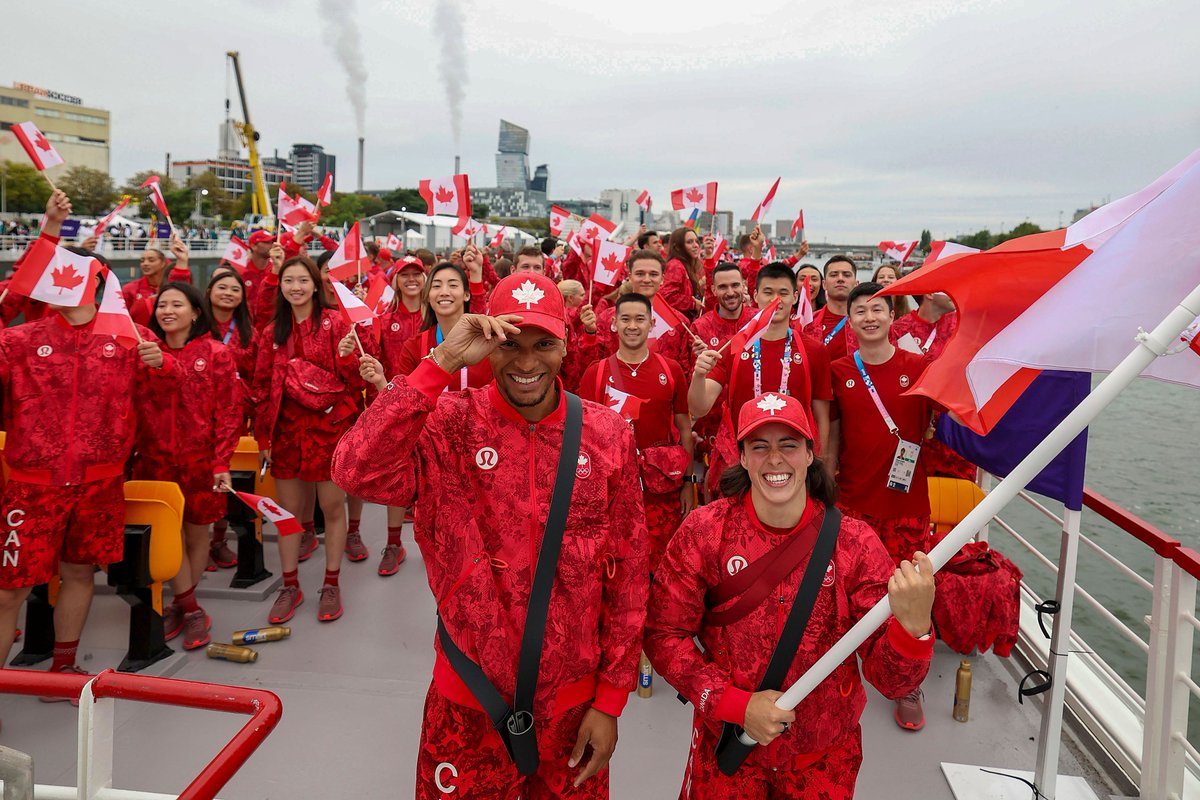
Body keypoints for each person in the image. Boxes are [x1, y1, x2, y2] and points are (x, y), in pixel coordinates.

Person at [332, 271, 649, 799]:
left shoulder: (607, 434)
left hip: (573, 709)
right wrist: (440, 363)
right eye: (509, 344)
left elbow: (630, 573)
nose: (526, 362)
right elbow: (355, 470)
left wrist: (611, 700)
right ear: (486, 343)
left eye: (543, 344)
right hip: (468, 699)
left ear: (566, 345)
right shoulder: (447, 424)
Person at [644, 391, 935, 799]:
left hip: (823, 762)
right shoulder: (704, 533)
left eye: (789, 445)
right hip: (728, 752)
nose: (775, 459)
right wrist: (735, 704)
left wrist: (914, 630)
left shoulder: (855, 545)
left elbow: (891, 681)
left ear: (811, 454)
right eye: (759, 447)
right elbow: (663, 634)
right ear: (742, 457)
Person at [0, 190, 175, 689]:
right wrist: (50, 231)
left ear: (99, 283)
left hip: (100, 484)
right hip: (31, 487)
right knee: (9, 591)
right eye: (56, 273)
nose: (63, 281)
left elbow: (172, 391)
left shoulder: (131, 338)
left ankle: (64, 668)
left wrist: (165, 365)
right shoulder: (19, 341)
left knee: (80, 574)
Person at [829, 282, 939, 730]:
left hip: (906, 505)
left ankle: (908, 684)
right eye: (860, 311)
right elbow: (833, 436)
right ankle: (840, 669)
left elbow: (947, 421)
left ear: (894, 316)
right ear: (849, 320)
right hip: (852, 503)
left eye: (878, 309)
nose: (869, 317)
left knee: (909, 590)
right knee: (844, 592)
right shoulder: (838, 371)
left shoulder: (921, 367)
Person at [252, 256, 363, 624]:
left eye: (303, 280)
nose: (295, 287)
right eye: (289, 281)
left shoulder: (335, 324)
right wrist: (263, 437)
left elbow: (354, 383)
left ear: (316, 285)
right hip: (286, 435)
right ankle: (290, 586)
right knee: (288, 514)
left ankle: (331, 583)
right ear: (281, 287)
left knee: (332, 507)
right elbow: (261, 387)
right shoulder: (272, 333)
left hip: (328, 431)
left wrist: (347, 358)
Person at [140, 283, 242, 649]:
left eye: (176, 304)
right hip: (154, 464)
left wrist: (221, 460)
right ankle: (191, 608)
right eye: (162, 305)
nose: (167, 311)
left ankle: (181, 604)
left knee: (198, 536)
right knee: (169, 537)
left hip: (201, 463)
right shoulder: (146, 352)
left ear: (196, 312)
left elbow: (230, 410)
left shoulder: (216, 353)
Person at [690, 263, 832, 498]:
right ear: (755, 296)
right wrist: (699, 375)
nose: (776, 300)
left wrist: (819, 464)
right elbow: (699, 407)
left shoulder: (814, 351)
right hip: (742, 461)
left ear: (795, 297)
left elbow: (821, 416)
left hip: (792, 463)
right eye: (768, 292)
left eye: (783, 293)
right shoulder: (733, 347)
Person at [580, 293, 694, 572]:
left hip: (660, 489)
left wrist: (688, 482)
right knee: (617, 565)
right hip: (613, 489)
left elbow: (685, 428)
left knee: (662, 565)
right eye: (626, 319)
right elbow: (584, 438)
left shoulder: (671, 370)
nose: (632, 326)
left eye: (640, 319)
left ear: (651, 324)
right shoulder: (596, 373)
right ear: (614, 324)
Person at [202, 267, 256, 569]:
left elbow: (256, 375)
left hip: (235, 418)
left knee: (226, 479)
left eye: (235, 289)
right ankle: (197, 543)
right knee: (199, 481)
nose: (228, 293)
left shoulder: (248, 332)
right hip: (198, 415)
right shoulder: (196, 326)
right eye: (222, 287)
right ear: (209, 291)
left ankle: (218, 540)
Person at [593, 250, 697, 371]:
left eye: (653, 274)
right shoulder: (607, 317)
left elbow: (684, 370)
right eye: (640, 274)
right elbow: (595, 363)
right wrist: (589, 334)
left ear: (662, 279)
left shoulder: (679, 322)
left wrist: (697, 356)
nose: (647, 280)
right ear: (630, 277)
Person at [123, 235, 194, 326]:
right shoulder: (129, 289)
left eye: (151, 260)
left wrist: (182, 259)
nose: (145, 264)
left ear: (163, 263)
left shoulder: (172, 287)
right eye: (142, 261)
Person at [805, 256, 858, 361]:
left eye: (846, 275)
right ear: (824, 284)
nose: (840, 279)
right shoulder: (807, 323)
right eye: (834, 275)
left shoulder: (868, 322)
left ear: (856, 284)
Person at [662, 228, 706, 318]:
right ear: (677, 247)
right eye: (689, 242)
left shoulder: (689, 265)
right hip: (678, 321)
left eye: (696, 241)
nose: (696, 245)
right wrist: (693, 303)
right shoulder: (675, 265)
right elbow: (668, 296)